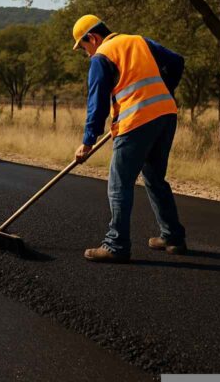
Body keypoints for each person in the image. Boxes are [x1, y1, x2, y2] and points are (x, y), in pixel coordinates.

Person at [72, 15, 187, 263]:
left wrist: (88, 140)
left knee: (119, 183)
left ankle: (116, 245)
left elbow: (97, 102)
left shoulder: (101, 56)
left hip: (136, 120)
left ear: (92, 38)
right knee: (155, 178)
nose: (86, 54)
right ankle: (173, 237)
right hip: (166, 114)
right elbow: (177, 61)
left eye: (84, 48)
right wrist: (164, 90)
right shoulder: (138, 41)